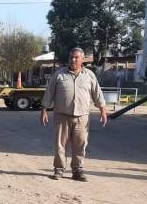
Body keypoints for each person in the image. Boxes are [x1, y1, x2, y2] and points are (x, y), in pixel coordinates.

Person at [40, 47, 107, 181]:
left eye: (76, 57)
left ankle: (77, 170)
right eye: (71, 57)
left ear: (82, 59)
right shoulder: (59, 75)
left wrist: (103, 111)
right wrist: (44, 110)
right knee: (60, 144)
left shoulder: (89, 75)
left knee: (80, 144)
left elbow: (97, 94)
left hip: (82, 117)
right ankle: (59, 169)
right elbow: (49, 93)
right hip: (62, 115)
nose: (73, 59)